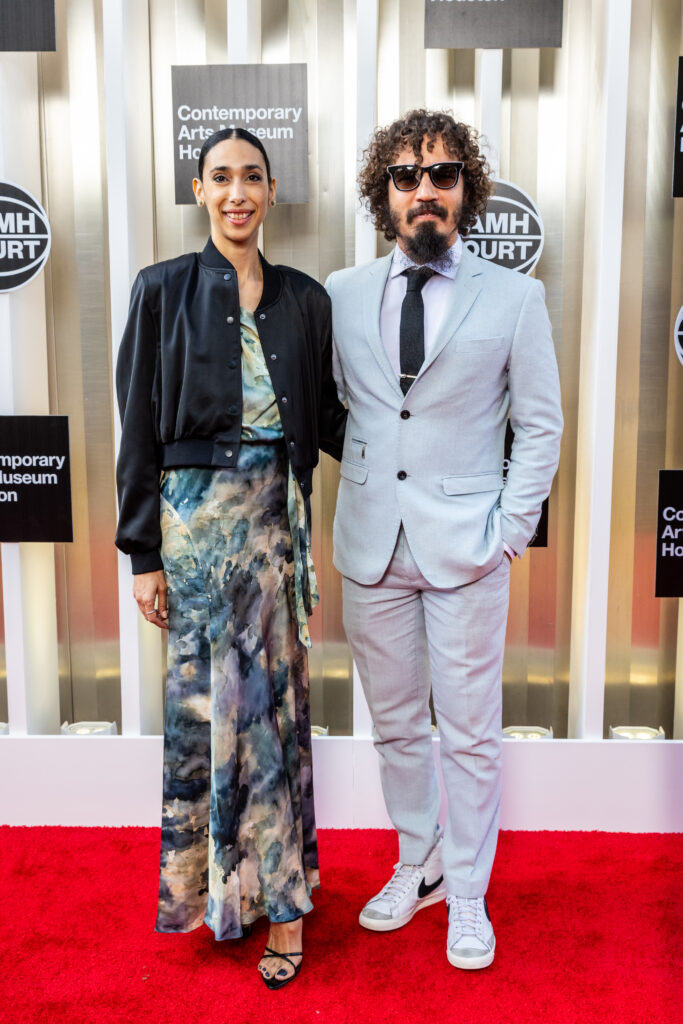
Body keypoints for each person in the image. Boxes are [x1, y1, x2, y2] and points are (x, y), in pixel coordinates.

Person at [326, 109, 563, 970]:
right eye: (404, 176)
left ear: (466, 188)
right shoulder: (342, 292)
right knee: (394, 727)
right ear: (381, 193)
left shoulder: (515, 297)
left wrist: (508, 532)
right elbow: (335, 410)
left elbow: (539, 427)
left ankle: (467, 892)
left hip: (467, 547)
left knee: (467, 731)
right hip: (370, 547)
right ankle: (416, 861)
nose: (423, 190)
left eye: (441, 174)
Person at [115, 128, 345, 989]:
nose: (237, 192)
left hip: (276, 534)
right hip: (196, 539)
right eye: (221, 178)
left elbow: (327, 415)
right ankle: (227, 898)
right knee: (212, 719)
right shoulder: (160, 290)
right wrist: (143, 553)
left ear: (272, 189)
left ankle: (283, 908)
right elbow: (137, 428)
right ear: (199, 189)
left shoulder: (302, 298)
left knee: (271, 719)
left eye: (251, 177)